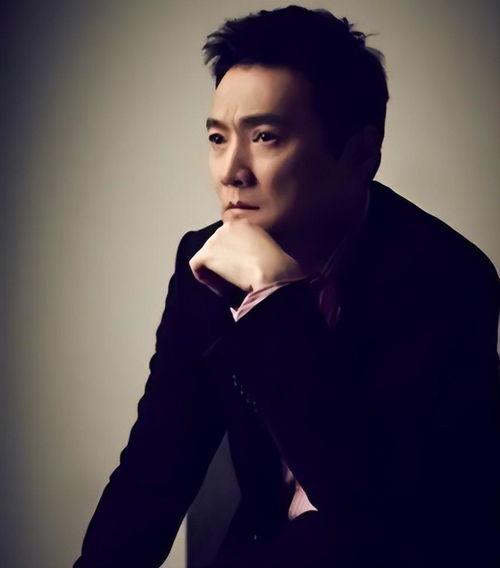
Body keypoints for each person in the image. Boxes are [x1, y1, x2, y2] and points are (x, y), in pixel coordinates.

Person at [73, 5, 500, 567]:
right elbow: (153, 472)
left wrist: (274, 297)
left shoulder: (448, 278)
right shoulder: (206, 263)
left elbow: (366, 504)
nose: (231, 170)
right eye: (218, 138)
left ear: (360, 155)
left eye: (265, 137)